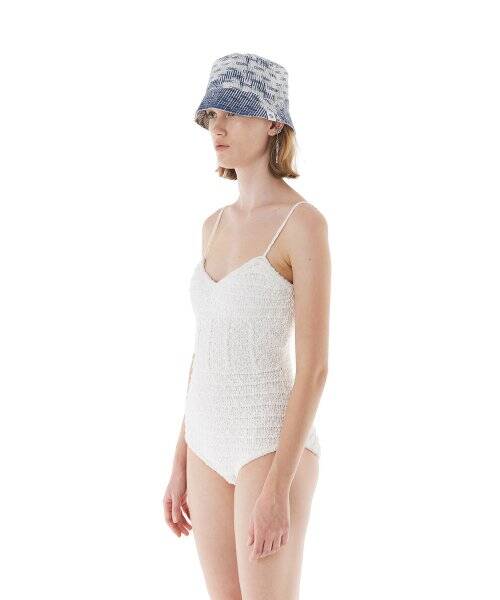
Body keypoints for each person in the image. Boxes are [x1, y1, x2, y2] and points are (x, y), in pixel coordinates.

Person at [163, 52, 331, 599]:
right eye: (212, 115)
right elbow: (206, 348)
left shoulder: (302, 224)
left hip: (268, 442)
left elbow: (315, 368)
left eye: (234, 113)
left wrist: (279, 486)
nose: (219, 127)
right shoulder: (211, 226)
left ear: (274, 122)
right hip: (205, 439)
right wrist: (180, 458)